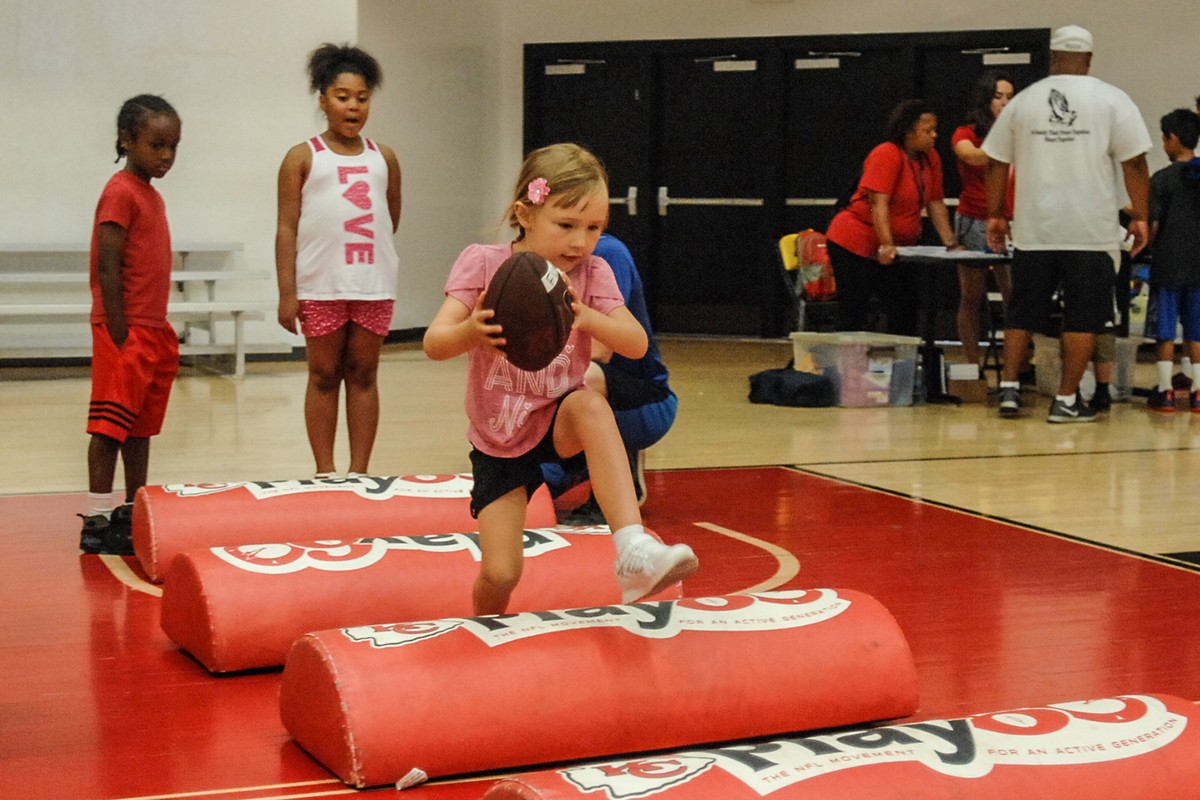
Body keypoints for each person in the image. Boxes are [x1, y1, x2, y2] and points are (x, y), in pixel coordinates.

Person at [423, 143, 698, 615]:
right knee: (502, 573)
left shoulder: (595, 273)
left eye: (594, 229)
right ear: (525, 214)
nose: (580, 242)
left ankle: (632, 551)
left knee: (590, 402)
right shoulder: (484, 263)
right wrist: (471, 332)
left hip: (557, 420)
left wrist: (587, 317)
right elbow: (434, 342)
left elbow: (634, 344)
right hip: (499, 440)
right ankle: (483, 627)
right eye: (566, 225)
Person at [985, 25, 1151, 423]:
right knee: (1084, 316)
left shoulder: (1023, 102)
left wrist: (995, 214)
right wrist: (1142, 216)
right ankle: (1065, 400)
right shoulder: (1113, 100)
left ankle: (1009, 390)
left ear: (1052, 58)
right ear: (1089, 60)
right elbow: (1135, 163)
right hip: (1090, 233)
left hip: (1034, 229)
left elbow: (995, 161)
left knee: (1023, 310)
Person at [276, 43, 401, 478]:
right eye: (342, 96)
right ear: (323, 98)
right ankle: (326, 470)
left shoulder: (383, 157)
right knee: (324, 375)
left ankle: (361, 472)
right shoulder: (302, 157)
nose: (353, 106)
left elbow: (391, 217)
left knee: (364, 374)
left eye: (362, 98)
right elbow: (287, 228)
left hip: (373, 285)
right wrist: (288, 293)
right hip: (319, 287)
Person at [79, 95, 182, 556]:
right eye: (156, 145)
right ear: (126, 140)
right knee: (109, 427)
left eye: (173, 147)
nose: (166, 156)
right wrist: (119, 331)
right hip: (126, 330)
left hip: (151, 329)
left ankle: (132, 508)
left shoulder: (151, 195)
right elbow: (108, 263)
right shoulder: (120, 190)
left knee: (139, 428)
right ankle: (98, 519)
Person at [541, 233, 678, 522]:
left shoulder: (607, 254)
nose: (580, 237)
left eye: (593, 225)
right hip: (562, 394)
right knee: (518, 497)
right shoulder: (526, 260)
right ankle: (562, 467)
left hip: (642, 401)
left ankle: (616, 474)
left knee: (581, 377)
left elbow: (600, 351)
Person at [826, 99, 962, 337]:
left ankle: (901, 368)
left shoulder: (931, 159)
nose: (934, 135)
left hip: (900, 247)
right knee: (855, 312)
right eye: (927, 131)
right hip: (855, 241)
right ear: (908, 132)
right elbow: (879, 204)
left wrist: (951, 242)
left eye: (935, 130)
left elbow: (935, 203)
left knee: (904, 310)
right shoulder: (887, 154)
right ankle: (846, 371)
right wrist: (886, 244)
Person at [952, 71, 1016, 368]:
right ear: (985, 99)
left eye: (1009, 97)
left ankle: (1017, 364)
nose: (1004, 102)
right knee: (972, 295)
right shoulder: (967, 132)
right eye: (998, 96)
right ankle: (971, 364)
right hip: (975, 217)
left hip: (1013, 219)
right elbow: (973, 156)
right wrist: (1002, 145)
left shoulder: (1019, 131)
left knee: (1014, 294)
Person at [1144, 108, 1200, 412]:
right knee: (1196, 330)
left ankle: (1165, 391)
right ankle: (1198, 392)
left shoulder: (1162, 179)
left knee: (1165, 329)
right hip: (1198, 266)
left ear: (1174, 139)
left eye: (1164, 139)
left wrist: (1148, 245)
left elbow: (1154, 225)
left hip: (1168, 264)